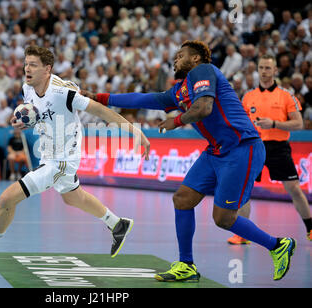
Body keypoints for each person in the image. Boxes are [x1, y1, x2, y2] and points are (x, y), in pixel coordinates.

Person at [84, 40, 296, 282]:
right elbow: (144, 99)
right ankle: (186, 265)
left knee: (223, 218)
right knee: (183, 199)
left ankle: (278, 245)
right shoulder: (179, 90)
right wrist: (101, 97)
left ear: (195, 58)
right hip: (216, 151)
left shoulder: (203, 71)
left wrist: (175, 121)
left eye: (180, 55)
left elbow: (204, 107)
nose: (175, 59)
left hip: (242, 149)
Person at [0, 46, 150, 266]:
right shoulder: (27, 89)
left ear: (47, 69)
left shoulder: (64, 93)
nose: (27, 69)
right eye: (26, 63)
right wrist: (26, 122)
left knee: (7, 198)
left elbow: (102, 112)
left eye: (33, 65)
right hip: (48, 152)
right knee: (72, 197)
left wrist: (136, 131)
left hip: (63, 159)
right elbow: (40, 115)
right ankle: (117, 224)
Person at [228, 54, 310, 244]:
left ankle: (311, 228)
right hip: (254, 147)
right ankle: (243, 234)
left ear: (275, 71)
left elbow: (298, 124)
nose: (264, 72)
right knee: (244, 190)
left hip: (278, 147)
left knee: (294, 189)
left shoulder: (285, 96)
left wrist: (274, 123)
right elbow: (240, 124)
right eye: (261, 68)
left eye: (267, 68)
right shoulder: (249, 97)